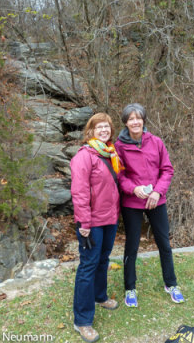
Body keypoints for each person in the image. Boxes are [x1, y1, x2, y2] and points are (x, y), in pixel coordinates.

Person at [115, 103, 185, 308]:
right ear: (126, 122)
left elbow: (167, 170)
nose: (135, 122)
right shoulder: (118, 147)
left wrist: (157, 191)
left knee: (164, 243)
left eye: (138, 118)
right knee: (132, 245)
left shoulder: (156, 142)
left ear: (143, 120)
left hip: (157, 199)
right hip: (132, 202)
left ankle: (171, 284)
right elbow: (119, 175)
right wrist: (132, 189)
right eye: (131, 119)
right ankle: (130, 288)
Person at [70, 113, 123, 343]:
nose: (104, 130)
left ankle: (100, 296)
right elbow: (79, 191)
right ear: (90, 131)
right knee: (88, 265)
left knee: (103, 260)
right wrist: (83, 223)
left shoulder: (110, 153)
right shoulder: (84, 156)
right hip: (91, 222)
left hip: (110, 218)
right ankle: (82, 320)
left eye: (107, 127)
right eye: (99, 127)